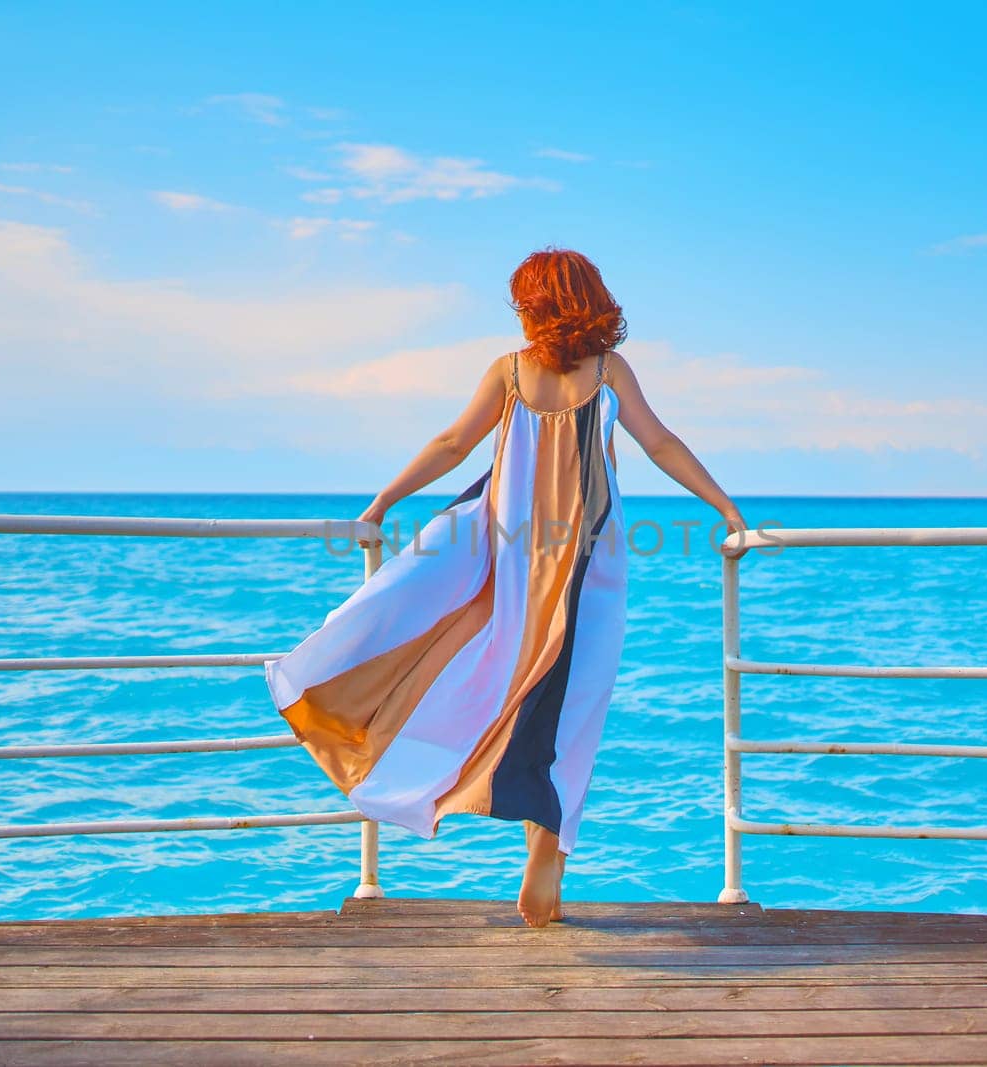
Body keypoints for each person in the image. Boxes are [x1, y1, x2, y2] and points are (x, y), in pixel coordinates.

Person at [264, 247, 746, 927]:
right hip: (588, 564)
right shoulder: (608, 371)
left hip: (507, 563)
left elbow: (452, 443)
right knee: (569, 702)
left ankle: (516, 822)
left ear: (539, 303)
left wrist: (381, 503)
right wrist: (725, 508)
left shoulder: (509, 372)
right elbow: (660, 444)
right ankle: (548, 843)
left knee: (499, 680)